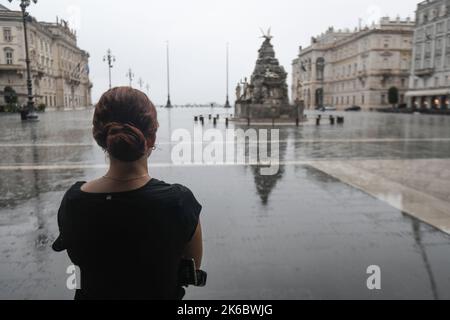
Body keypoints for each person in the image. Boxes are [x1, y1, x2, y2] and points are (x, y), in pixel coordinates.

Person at [52, 87, 203, 300]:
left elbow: (77, 258)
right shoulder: (178, 202)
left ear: (101, 138)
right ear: (150, 138)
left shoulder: (74, 201)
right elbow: (193, 269)